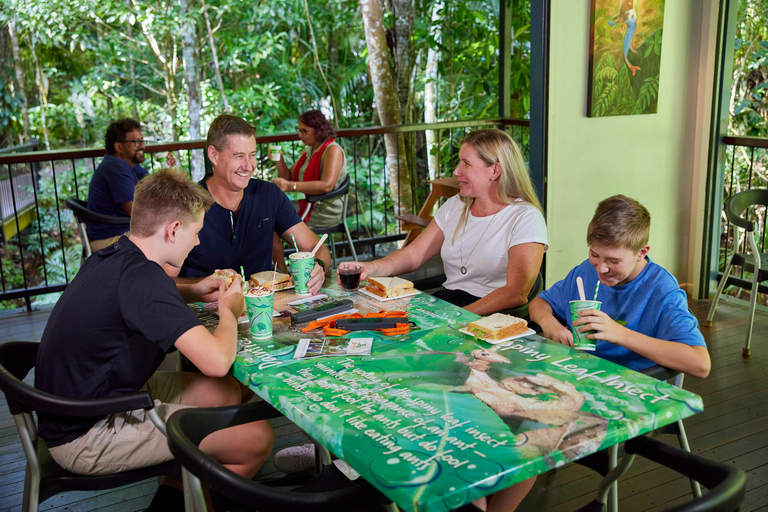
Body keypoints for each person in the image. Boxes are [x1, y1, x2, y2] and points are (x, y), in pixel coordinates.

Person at [35, 169, 273, 506]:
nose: (198, 242)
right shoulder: (144, 281)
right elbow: (218, 361)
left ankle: (172, 496)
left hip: (91, 399)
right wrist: (228, 309)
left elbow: (142, 298)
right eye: (196, 232)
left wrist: (194, 289)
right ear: (173, 230)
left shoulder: (118, 255)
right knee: (257, 438)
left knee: (227, 392)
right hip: (86, 433)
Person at [337, 128, 547, 316]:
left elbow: (515, 294)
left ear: (495, 170)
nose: (456, 171)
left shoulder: (525, 217)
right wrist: (370, 268)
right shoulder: (456, 205)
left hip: (492, 315)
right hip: (450, 304)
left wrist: (455, 318)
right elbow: (413, 255)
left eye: (466, 163)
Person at [530, 194, 711, 378]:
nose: (601, 268)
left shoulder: (662, 290)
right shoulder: (585, 272)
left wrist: (620, 334)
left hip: (631, 386)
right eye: (594, 254)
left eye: (614, 261)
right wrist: (549, 323)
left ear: (641, 252)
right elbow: (539, 303)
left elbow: (701, 364)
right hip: (576, 373)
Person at [178, 114, 330, 294]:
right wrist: (199, 289)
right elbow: (163, 280)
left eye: (252, 155)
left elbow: (315, 246)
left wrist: (319, 266)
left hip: (266, 305)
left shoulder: (269, 194)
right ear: (214, 155)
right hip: (203, 313)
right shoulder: (185, 203)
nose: (249, 166)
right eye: (239, 156)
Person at [271, 109, 347, 271]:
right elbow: (289, 176)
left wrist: (291, 186)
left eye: (304, 131)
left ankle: (284, 271)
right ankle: (282, 272)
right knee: (269, 218)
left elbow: (327, 185)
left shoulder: (332, 150)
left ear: (319, 130)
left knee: (275, 223)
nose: (300, 135)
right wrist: (279, 160)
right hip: (307, 203)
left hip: (324, 208)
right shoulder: (309, 151)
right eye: (300, 131)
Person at [86, 118, 175, 252]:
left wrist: (167, 167)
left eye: (142, 141)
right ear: (118, 147)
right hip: (107, 239)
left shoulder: (131, 166)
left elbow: (157, 188)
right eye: (136, 142)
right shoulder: (117, 167)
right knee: (171, 235)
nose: (143, 146)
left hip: (122, 231)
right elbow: (135, 211)